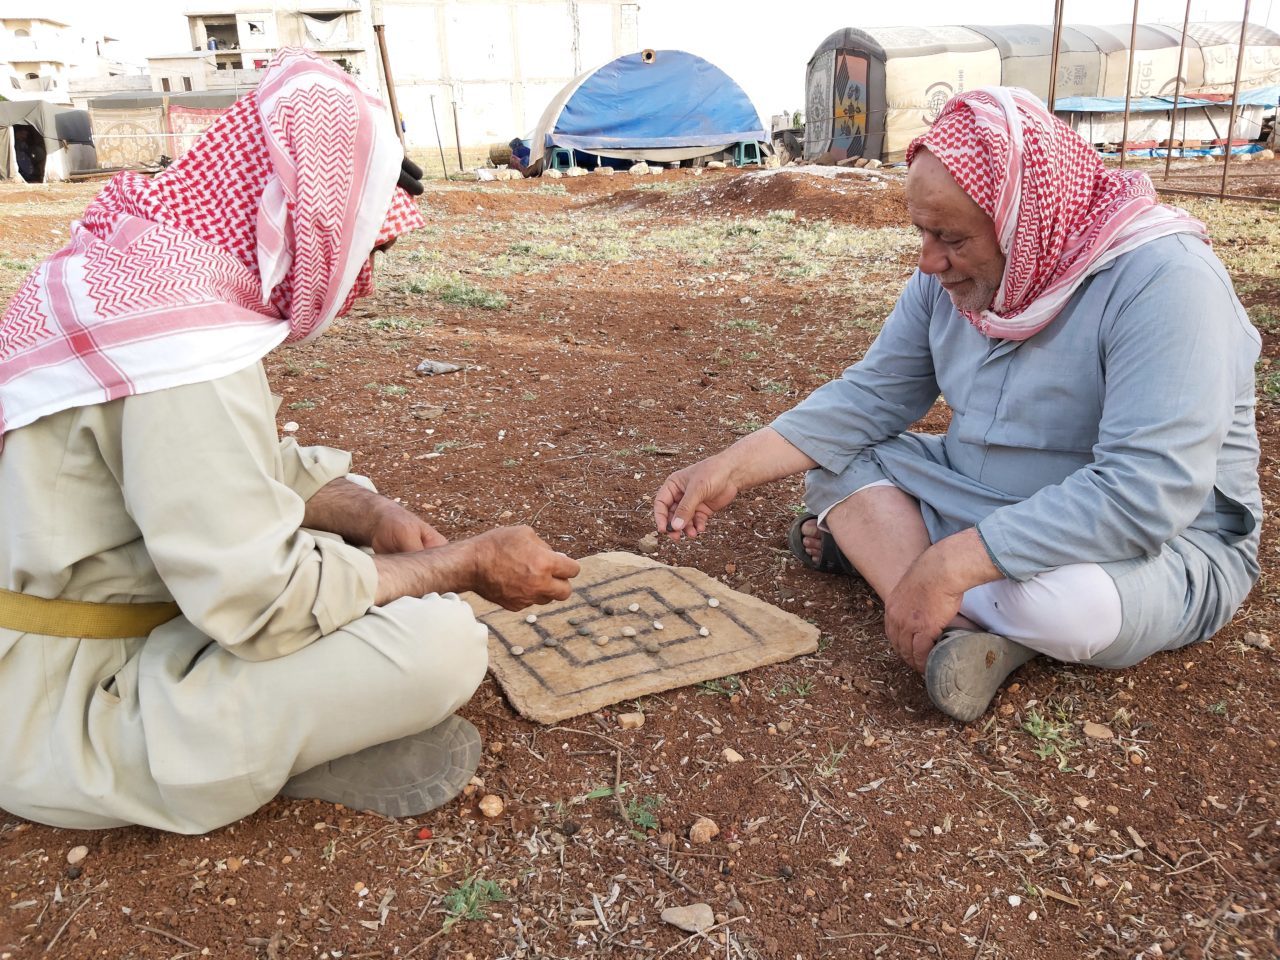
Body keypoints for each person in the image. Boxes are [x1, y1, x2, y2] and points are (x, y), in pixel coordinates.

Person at [0, 49, 578, 834]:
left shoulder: (145, 272)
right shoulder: (178, 346)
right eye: (367, 251)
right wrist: (457, 565)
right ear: (308, 220)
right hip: (73, 707)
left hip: (74, 637)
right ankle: (278, 753)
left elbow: (240, 471)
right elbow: (261, 600)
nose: (364, 282)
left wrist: (370, 515)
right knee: (441, 642)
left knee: (359, 527)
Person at [654, 87, 1261, 723]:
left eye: (950, 237)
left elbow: (1145, 494)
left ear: (1025, 222)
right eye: (921, 231)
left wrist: (950, 563)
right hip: (976, 492)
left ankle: (916, 573)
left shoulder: (1166, 283)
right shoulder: (951, 275)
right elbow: (872, 395)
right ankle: (955, 633)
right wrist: (728, 468)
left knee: (1069, 607)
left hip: (1146, 545)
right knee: (837, 463)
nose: (928, 261)